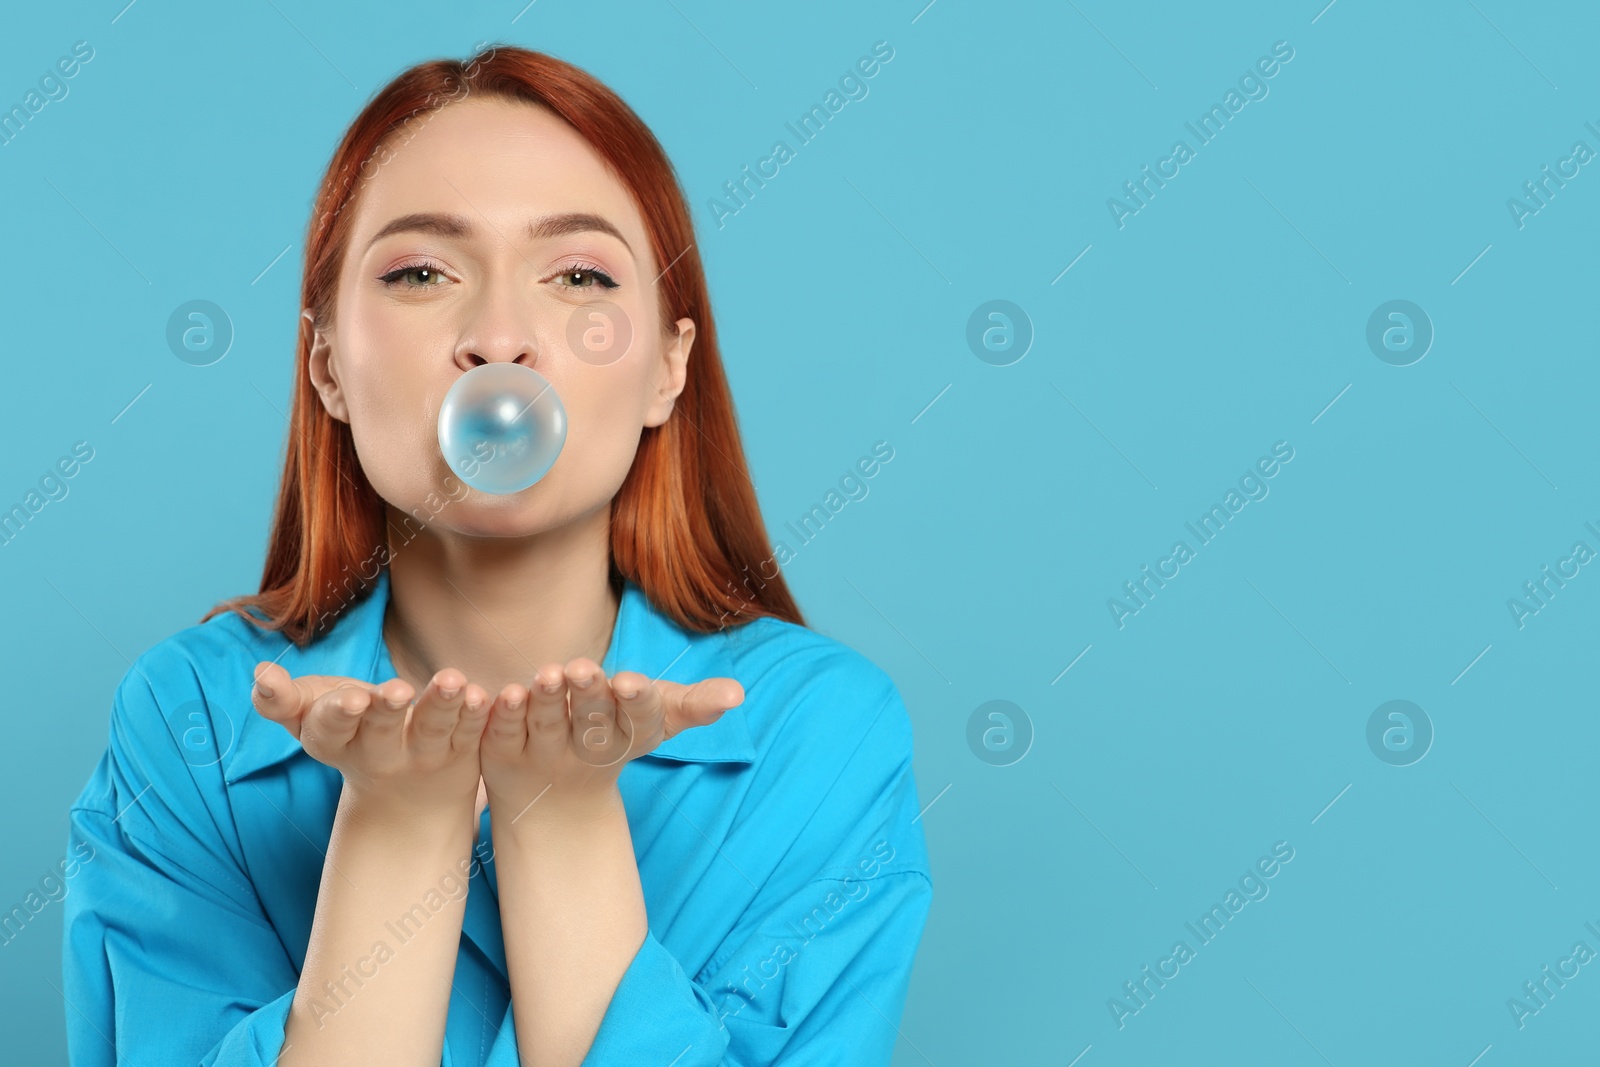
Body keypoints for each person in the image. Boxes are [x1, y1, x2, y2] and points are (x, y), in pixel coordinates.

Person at [59, 44, 932, 1067]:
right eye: (422, 272)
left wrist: (559, 814)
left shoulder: (815, 732)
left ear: (666, 369)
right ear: (328, 364)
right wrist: (395, 823)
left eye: (578, 274)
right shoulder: (194, 719)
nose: (501, 337)